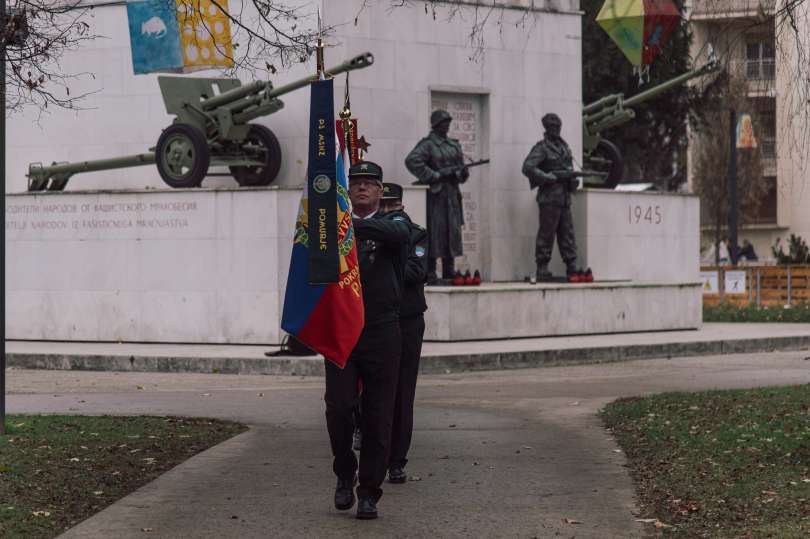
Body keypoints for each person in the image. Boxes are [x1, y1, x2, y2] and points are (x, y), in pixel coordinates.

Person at [325, 160, 410, 520]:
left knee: (379, 415)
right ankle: (345, 472)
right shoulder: (332, 228)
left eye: (369, 183)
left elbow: (396, 236)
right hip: (342, 331)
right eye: (355, 182)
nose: (362, 187)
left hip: (382, 330)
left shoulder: (397, 223)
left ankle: (369, 491)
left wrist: (348, 225)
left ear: (380, 190)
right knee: (340, 408)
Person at [379, 182, 428, 484]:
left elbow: (417, 272)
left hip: (406, 318)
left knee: (402, 393)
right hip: (375, 319)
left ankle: (396, 460)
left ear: (401, 206)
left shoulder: (416, 234)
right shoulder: (367, 232)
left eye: (391, 207)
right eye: (382, 207)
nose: (387, 213)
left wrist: (382, 267)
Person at [405, 109, 468, 284]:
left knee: (453, 232)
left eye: (448, 122)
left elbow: (462, 171)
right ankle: (431, 271)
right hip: (436, 195)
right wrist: (433, 175)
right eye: (444, 122)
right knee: (435, 232)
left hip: (452, 194)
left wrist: (461, 173)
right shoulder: (428, 144)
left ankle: (450, 270)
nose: (447, 125)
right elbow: (412, 160)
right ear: (436, 124)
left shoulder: (453, 145)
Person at [521, 112, 580, 282]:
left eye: (558, 127)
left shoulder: (564, 147)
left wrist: (572, 181)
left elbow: (568, 170)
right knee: (547, 233)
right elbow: (527, 167)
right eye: (553, 127)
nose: (556, 130)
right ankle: (542, 266)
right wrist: (546, 177)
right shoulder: (542, 148)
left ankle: (571, 265)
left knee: (567, 233)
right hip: (549, 198)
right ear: (547, 128)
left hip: (564, 198)